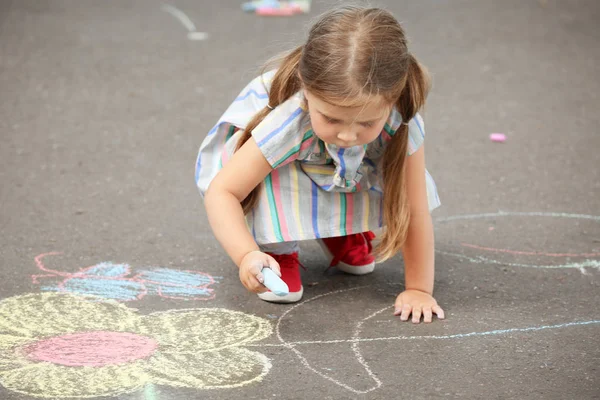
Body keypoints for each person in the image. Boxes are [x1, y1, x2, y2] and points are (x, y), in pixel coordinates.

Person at [195, 6, 445, 324]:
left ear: (393, 99)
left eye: (367, 123)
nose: (347, 134)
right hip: (283, 168)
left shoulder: (401, 120)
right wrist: (246, 254)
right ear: (307, 89)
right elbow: (224, 191)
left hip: (336, 171)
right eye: (331, 118)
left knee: (357, 163)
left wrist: (419, 289)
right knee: (275, 175)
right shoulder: (289, 121)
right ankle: (277, 250)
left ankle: (338, 229)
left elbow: (414, 206)